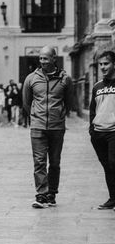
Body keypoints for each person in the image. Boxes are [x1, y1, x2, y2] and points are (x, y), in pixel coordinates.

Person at [22, 45, 73, 208]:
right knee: (39, 161)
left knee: (55, 162)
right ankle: (41, 194)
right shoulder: (31, 78)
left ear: (54, 59)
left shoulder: (65, 79)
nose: (42, 61)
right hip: (37, 126)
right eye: (40, 58)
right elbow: (26, 102)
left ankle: (52, 192)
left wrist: (58, 114)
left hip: (57, 126)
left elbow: (69, 103)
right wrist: (36, 116)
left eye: (45, 58)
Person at [89, 49, 115, 209]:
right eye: (101, 64)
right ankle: (112, 198)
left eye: (106, 63)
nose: (103, 67)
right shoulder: (97, 87)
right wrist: (92, 130)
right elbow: (92, 110)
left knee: (114, 163)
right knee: (107, 166)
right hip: (98, 133)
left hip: (113, 131)